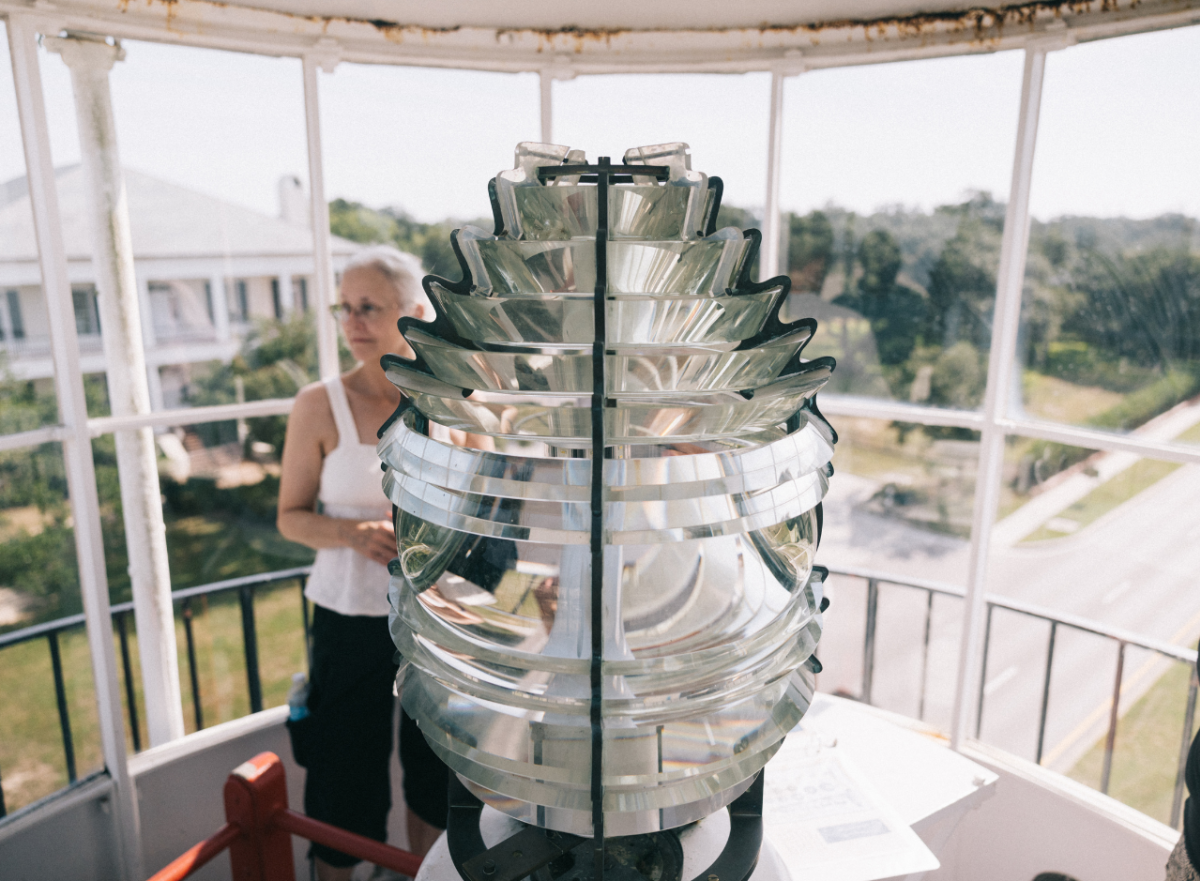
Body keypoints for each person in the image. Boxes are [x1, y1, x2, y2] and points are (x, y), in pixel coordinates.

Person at [278, 245, 479, 881]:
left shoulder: (452, 403)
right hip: (347, 618)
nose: (353, 322)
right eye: (345, 308)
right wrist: (351, 534)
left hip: (435, 622)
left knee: (435, 774)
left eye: (370, 307)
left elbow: (481, 511)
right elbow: (289, 516)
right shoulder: (319, 403)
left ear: (416, 312)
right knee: (343, 777)